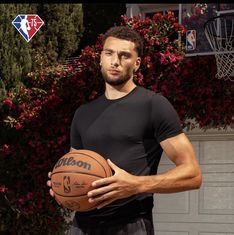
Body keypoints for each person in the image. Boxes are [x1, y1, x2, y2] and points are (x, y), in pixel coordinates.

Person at [47, 25, 202, 235]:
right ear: (100, 58)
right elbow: (75, 166)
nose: (115, 61)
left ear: (137, 64)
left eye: (124, 55)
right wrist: (62, 183)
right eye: (109, 53)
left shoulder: (153, 105)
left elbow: (192, 174)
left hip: (130, 225)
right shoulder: (82, 114)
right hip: (81, 226)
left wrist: (136, 184)